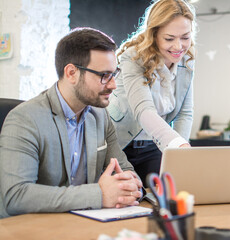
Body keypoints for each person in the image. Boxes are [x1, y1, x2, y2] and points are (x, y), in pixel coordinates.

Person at [0, 27, 143, 219]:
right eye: (104, 75)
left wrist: (131, 186)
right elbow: (16, 196)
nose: (113, 85)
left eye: (114, 73)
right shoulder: (25, 119)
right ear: (71, 73)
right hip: (33, 228)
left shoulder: (100, 116)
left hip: (83, 224)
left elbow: (125, 171)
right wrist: (99, 194)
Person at [107, 0, 196, 184]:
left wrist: (180, 156)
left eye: (185, 37)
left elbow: (184, 114)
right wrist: (177, 145)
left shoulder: (186, 60)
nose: (179, 46)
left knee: (170, 191)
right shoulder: (133, 57)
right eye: (170, 39)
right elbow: (144, 110)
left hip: (154, 145)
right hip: (119, 144)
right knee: (129, 195)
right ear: (154, 34)